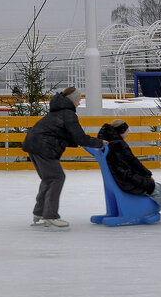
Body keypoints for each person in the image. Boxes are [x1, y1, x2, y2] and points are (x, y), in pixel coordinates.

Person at [20, 86, 104, 228]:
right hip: (44, 147)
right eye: (78, 99)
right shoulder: (68, 114)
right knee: (57, 177)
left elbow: (67, 136)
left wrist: (85, 142)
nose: (79, 103)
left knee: (49, 178)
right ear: (72, 100)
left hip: (33, 144)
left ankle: (39, 212)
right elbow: (79, 137)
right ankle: (50, 216)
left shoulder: (58, 112)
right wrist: (100, 143)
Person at [97, 119, 161, 222]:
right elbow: (133, 162)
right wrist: (147, 174)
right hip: (126, 180)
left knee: (155, 187)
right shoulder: (119, 144)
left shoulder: (109, 143)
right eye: (127, 131)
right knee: (156, 188)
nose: (128, 133)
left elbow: (127, 164)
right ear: (121, 131)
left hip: (120, 178)